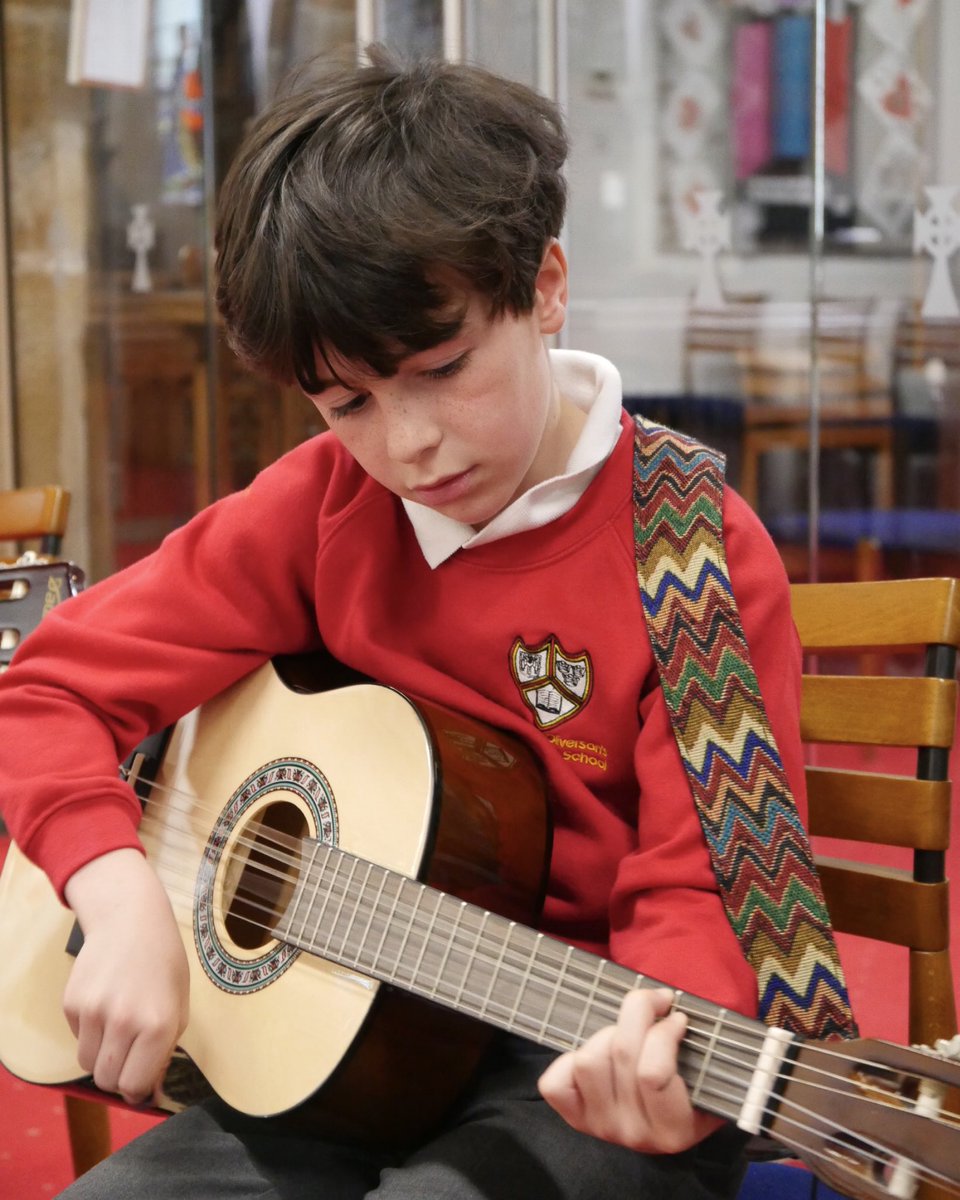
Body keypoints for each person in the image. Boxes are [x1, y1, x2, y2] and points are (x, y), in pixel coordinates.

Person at [0, 46, 811, 1200]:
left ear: (544, 287)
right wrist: (114, 886)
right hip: (333, 1037)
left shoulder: (694, 554)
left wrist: (662, 1040)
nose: (408, 443)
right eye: (348, 403)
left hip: (578, 1067)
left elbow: (703, 887)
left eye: (441, 367)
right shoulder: (327, 504)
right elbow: (45, 690)